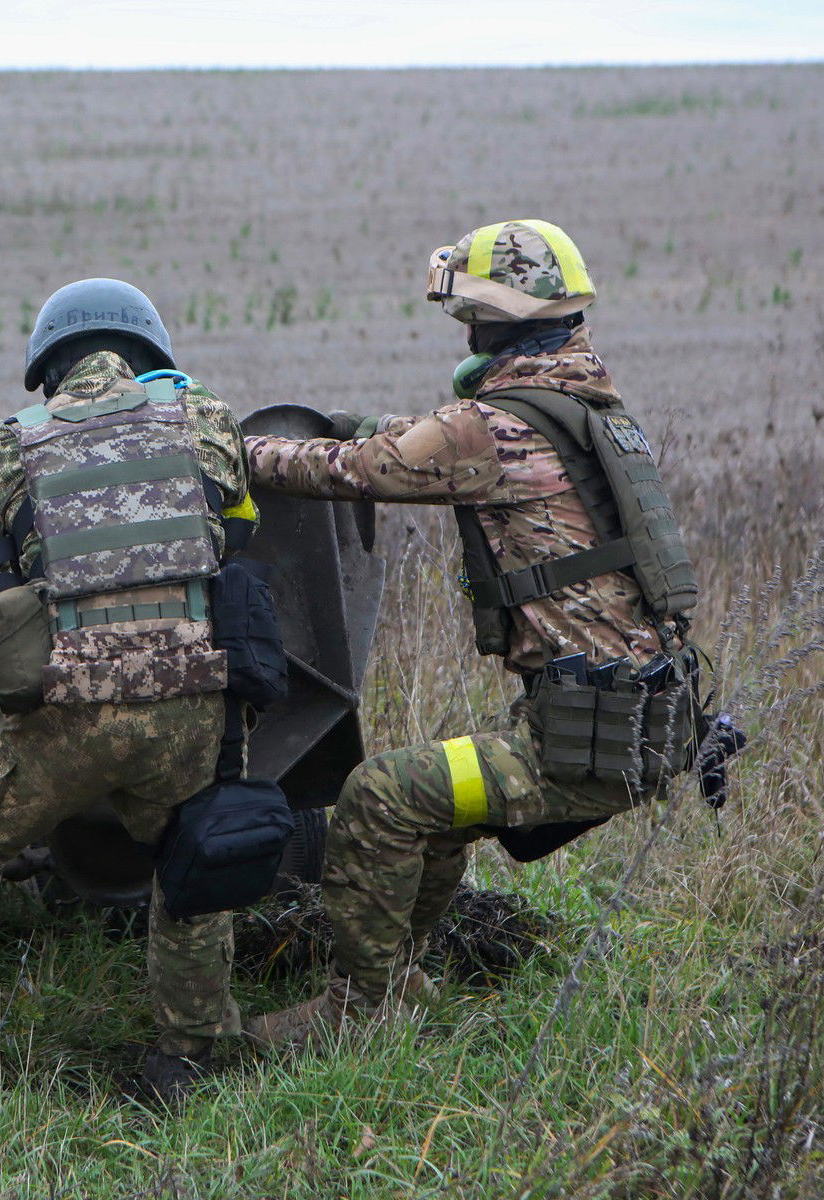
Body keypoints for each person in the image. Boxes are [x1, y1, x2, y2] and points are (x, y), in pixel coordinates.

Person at [241, 220, 702, 1045]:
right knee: (437, 811)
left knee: (379, 794)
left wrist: (237, 450)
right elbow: (432, 443)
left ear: (493, 324)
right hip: (645, 724)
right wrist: (362, 421)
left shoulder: (490, 428)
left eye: (468, 322)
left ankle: (359, 1013)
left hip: (581, 744)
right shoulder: (587, 410)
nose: (464, 337)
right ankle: (399, 983)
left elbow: (353, 472)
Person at [0, 277, 257, 1104]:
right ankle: (187, 1059)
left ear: (50, 369)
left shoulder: (9, 446)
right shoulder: (206, 422)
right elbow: (235, 524)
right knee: (191, 856)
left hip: (64, 712)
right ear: (150, 358)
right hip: (187, 707)